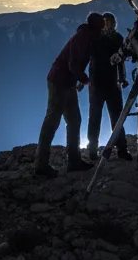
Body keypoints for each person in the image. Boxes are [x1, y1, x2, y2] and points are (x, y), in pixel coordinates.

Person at [34, 11, 105, 177]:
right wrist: (85, 80)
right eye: (101, 28)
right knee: (52, 121)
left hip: (67, 83)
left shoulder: (87, 37)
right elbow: (73, 65)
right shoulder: (83, 38)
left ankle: (74, 161)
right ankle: (41, 166)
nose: (102, 31)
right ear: (96, 28)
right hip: (59, 82)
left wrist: (79, 80)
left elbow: (76, 64)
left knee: (74, 120)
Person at [87, 12, 133, 162]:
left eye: (110, 22)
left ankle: (121, 149)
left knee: (116, 118)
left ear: (114, 23)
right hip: (98, 84)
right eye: (105, 22)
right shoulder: (95, 39)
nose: (107, 24)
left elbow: (121, 60)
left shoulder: (116, 39)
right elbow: (89, 59)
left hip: (112, 84)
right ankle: (93, 150)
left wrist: (122, 79)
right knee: (95, 118)